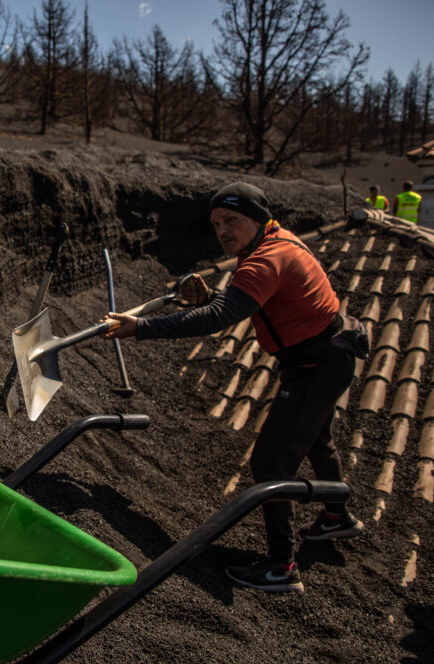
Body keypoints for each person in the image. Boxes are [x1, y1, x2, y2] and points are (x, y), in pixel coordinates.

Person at [102, 182, 366, 594]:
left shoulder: (264, 260)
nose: (223, 230)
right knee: (317, 440)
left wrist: (142, 328)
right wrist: (214, 298)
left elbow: (218, 318)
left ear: (258, 218)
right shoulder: (276, 241)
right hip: (327, 356)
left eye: (232, 220)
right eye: (217, 223)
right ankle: (336, 517)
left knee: (271, 465)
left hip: (316, 366)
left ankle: (281, 566)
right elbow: (243, 301)